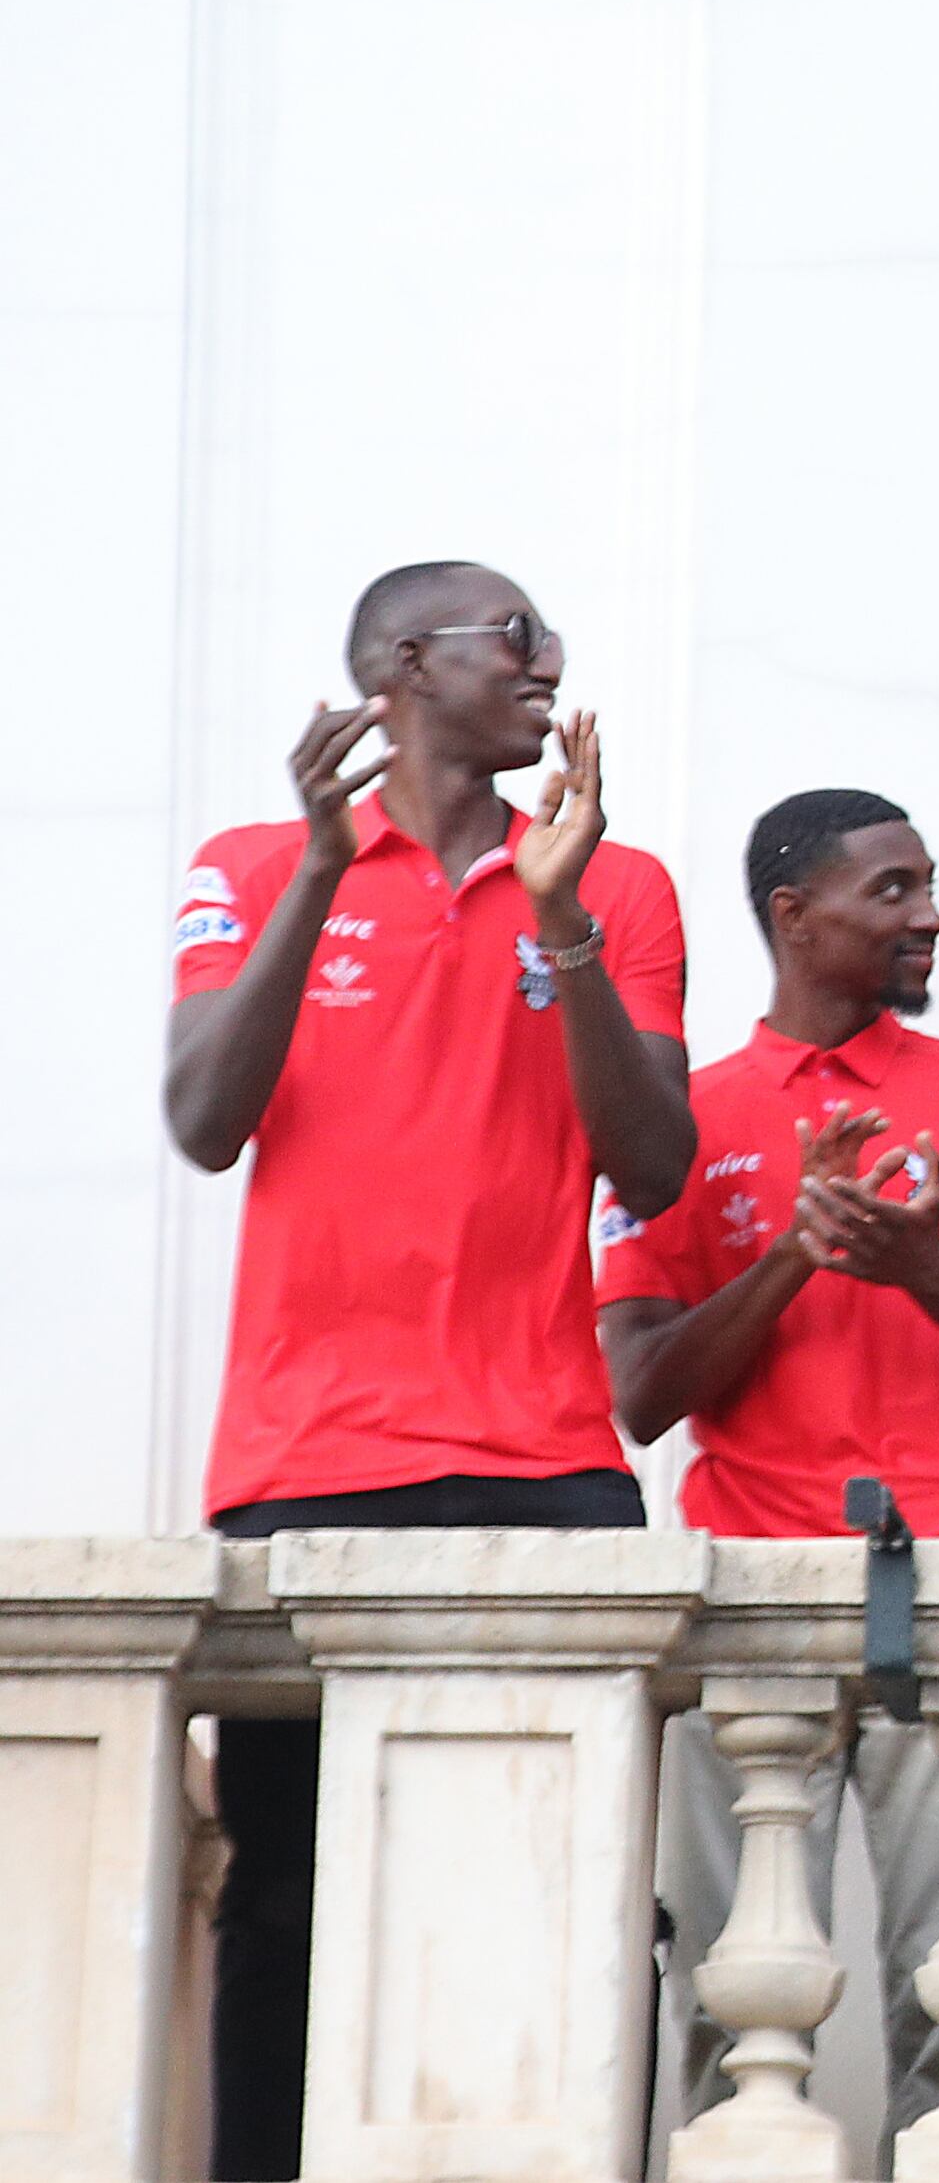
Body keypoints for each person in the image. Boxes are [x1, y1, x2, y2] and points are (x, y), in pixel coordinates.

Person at [165, 565, 698, 2182]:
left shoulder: (621, 880)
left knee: (563, 1892)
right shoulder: (250, 863)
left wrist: (565, 920)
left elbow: (657, 1160)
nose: (552, 663)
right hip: (307, 1459)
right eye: (517, 637)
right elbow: (202, 1116)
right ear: (406, 665)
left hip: (546, 1462)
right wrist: (322, 872)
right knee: (287, 1897)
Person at [597, 789, 939, 2138]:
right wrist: (792, 1255)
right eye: (891, 891)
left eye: (928, 885)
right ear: (792, 915)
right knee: (730, 1997)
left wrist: (923, 1265)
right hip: (757, 1586)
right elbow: (640, 1393)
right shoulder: (680, 1123)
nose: (927, 914)